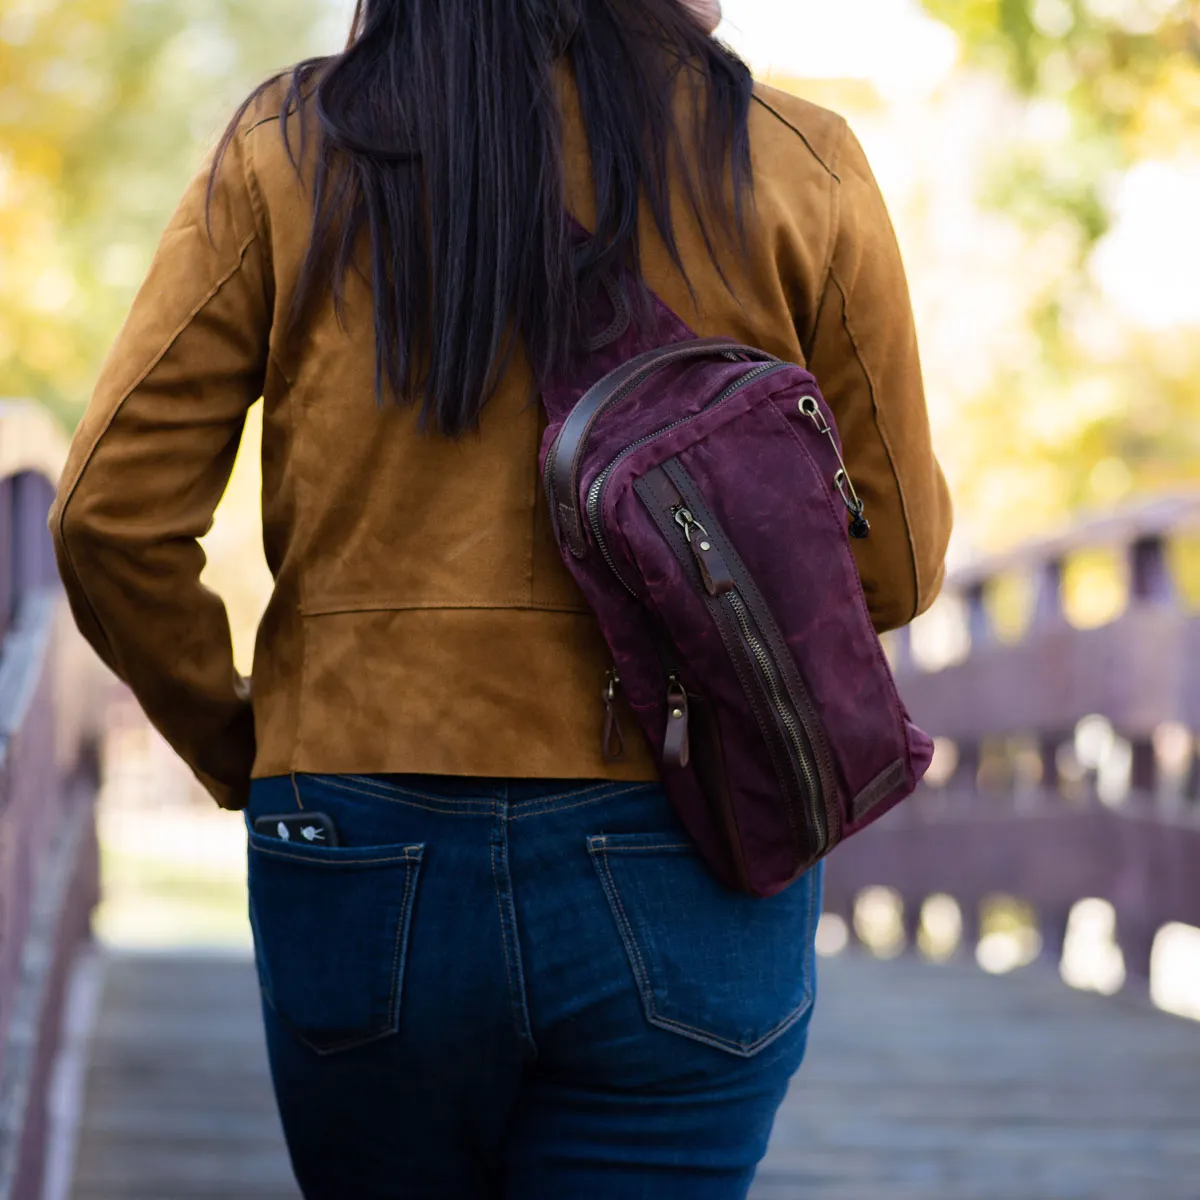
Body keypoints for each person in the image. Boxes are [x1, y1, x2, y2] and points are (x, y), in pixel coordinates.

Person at [49, 0, 952, 1196]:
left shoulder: (290, 146)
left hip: (357, 835)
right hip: (692, 835)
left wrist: (252, 746)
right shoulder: (795, 163)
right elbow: (892, 567)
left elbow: (107, 516)